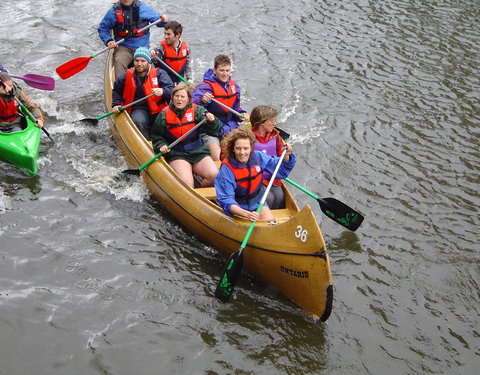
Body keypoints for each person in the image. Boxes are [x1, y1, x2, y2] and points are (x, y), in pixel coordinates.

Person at [214, 126, 295, 221]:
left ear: (251, 148)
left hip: (258, 203)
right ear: (233, 149)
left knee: (270, 222)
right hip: (237, 207)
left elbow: (280, 169)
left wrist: (286, 155)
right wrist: (246, 214)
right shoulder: (226, 169)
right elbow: (227, 200)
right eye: (238, 148)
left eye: (245, 148)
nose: (242, 152)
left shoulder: (258, 157)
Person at [151, 83, 222, 188]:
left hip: (198, 151)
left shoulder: (198, 111)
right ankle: (190, 195)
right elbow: (157, 136)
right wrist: (161, 145)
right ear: (172, 97)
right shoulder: (163, 114)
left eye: (182, 97)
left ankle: (203, 194)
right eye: (176, 96)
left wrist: (212, 121)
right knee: (187, 184)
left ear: (188, 99)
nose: (179, 99)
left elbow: (214, 130)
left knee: (215, 176)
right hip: (177, 153)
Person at [192, 55, 249, 161]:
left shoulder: (234, 87)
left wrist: (241, 115)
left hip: (230, 127)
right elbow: (193, 105)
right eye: (221, 70)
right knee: (218, 157)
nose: (225, 74)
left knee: (243, 152)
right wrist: (202, 100)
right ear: (215, 70)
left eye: (227, 70)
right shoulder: (205, 87)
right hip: (210, 129)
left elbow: (236, 109)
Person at [112, 47, 174, 140]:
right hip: (138, 109)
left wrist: (163, 91)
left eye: (142, 61)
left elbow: (171, 90)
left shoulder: (160, 74)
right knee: (138, 121)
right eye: (136, 60)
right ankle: (146, 144)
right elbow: (116, 90)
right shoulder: (126, 75)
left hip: (158, 110)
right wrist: (116, 104)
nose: (139, 64)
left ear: (148, 62)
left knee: (167, 122)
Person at [98, 0, 168, 77]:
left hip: (142, 46)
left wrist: (164, 21)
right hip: (123, 47)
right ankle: (121, 86)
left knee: (150, 67)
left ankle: (150, 85)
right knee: (119, 62)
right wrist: (109, 40)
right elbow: (103, 29)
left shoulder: (142, 8)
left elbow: (159, 22)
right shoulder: (113, 11)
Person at [250, 105, 293, 209]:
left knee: (279, 196)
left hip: (270, 178)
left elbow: (284, 161)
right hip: (252, 178)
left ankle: (273, 221)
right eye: (272, 120)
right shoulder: (248, 137)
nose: (275, 123)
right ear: (261, 122)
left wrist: (286, 153)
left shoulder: (276, 137)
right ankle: (261, 217)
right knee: (268, 198)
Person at [151, 21, 193, 86]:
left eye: (168, 34)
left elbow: (188, 66)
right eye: (165, 34)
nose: (165, 37)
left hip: (179, 81)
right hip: (164, 82)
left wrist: (190, 80)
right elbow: (152, 52)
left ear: (177, 35)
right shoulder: (161, 47)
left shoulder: (186, 48)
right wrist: (151, 52)